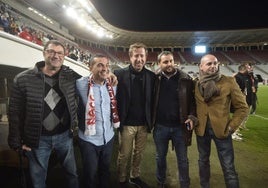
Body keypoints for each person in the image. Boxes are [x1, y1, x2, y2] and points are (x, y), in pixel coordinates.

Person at [8, 40, 80, 188]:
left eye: (60, 53)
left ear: (64, 56)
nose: (56, 56)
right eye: (51, 52)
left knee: (72, 174)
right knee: (38, 179)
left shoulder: (70, 76)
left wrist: (111, 75)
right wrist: (15, 141)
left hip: (64, 136)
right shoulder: (23, 79)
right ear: (44, 53)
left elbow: (93, 79)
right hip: (38, 139)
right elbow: (14, 112)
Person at [194, 54, 249, 188]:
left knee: (228, 166)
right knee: (203, 162)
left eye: (215, 63)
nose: (213, 66)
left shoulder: (228, 81)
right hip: (201, 130)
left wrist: (231, 127)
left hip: (223, 131)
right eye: (209, 64)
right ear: (201, 66)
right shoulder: (196, 83)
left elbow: (243, 107)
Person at [152, 51, 198, 188]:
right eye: (165, 62)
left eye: (171, 61)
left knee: (183, 160)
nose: (169, 64)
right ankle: (160, 182)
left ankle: (185, 184)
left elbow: (193, 102)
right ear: (159, 64)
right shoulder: (154, 79)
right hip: (160, 127)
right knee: (160, 158)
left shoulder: (185, 79)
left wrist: (191, 116)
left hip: (180, 127)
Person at [114, 42, 155, 188]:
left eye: (142, 56)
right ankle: (121, 179)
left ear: (146, 57)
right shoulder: (118, 74)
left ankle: (135, 176)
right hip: (126, 123)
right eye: (136, 55)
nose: (139, 59)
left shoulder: (151, 76)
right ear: (130, 57)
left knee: (139, 154)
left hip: (143, 124)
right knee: (124, 154)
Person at [76, 54, 120, 188]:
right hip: (88, 139)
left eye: (107, 66)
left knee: (105, 171)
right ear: (90, 68)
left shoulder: (113, 85)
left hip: (108, 137)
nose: (104, 69)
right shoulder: (80, 84)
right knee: (90, 174)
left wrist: (110, 74)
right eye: (100, 65)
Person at [232, 64, 249, 141]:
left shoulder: (241, 77)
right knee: (238, 115)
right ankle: (233, 132)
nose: (248, 70)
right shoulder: (237, 77)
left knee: (240, 115)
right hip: (238, 99)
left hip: (241, 98)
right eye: (247, 68)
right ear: (244, 69)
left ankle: (235, 131)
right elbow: (236, 90)